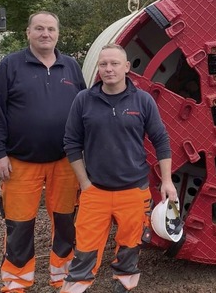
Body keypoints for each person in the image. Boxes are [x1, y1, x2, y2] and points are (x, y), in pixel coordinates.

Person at [61, 43, 178, 293]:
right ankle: (75, 288)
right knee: (84, 250)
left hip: (134, 192)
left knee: (129, 249)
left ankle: (124, 288)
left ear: (126, 67)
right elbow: (71, 143)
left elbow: (161, 140)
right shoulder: (83, 100)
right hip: (96, 192)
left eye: (114, 64)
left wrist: (167, 181)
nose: (108, 69)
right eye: (103, 64)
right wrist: (85, 184)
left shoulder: (143, 100)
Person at [0, 11, 86, 292]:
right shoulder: (11, 65)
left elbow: (84, 111)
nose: (45, 34)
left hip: (65, 161)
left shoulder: (71, 67)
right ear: (28, 32)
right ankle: (17, 281)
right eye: (39, 28)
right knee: (19, 224)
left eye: (51, 29)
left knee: (66, 222)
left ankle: (63, 276)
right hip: (20, 161)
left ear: (58, 34)